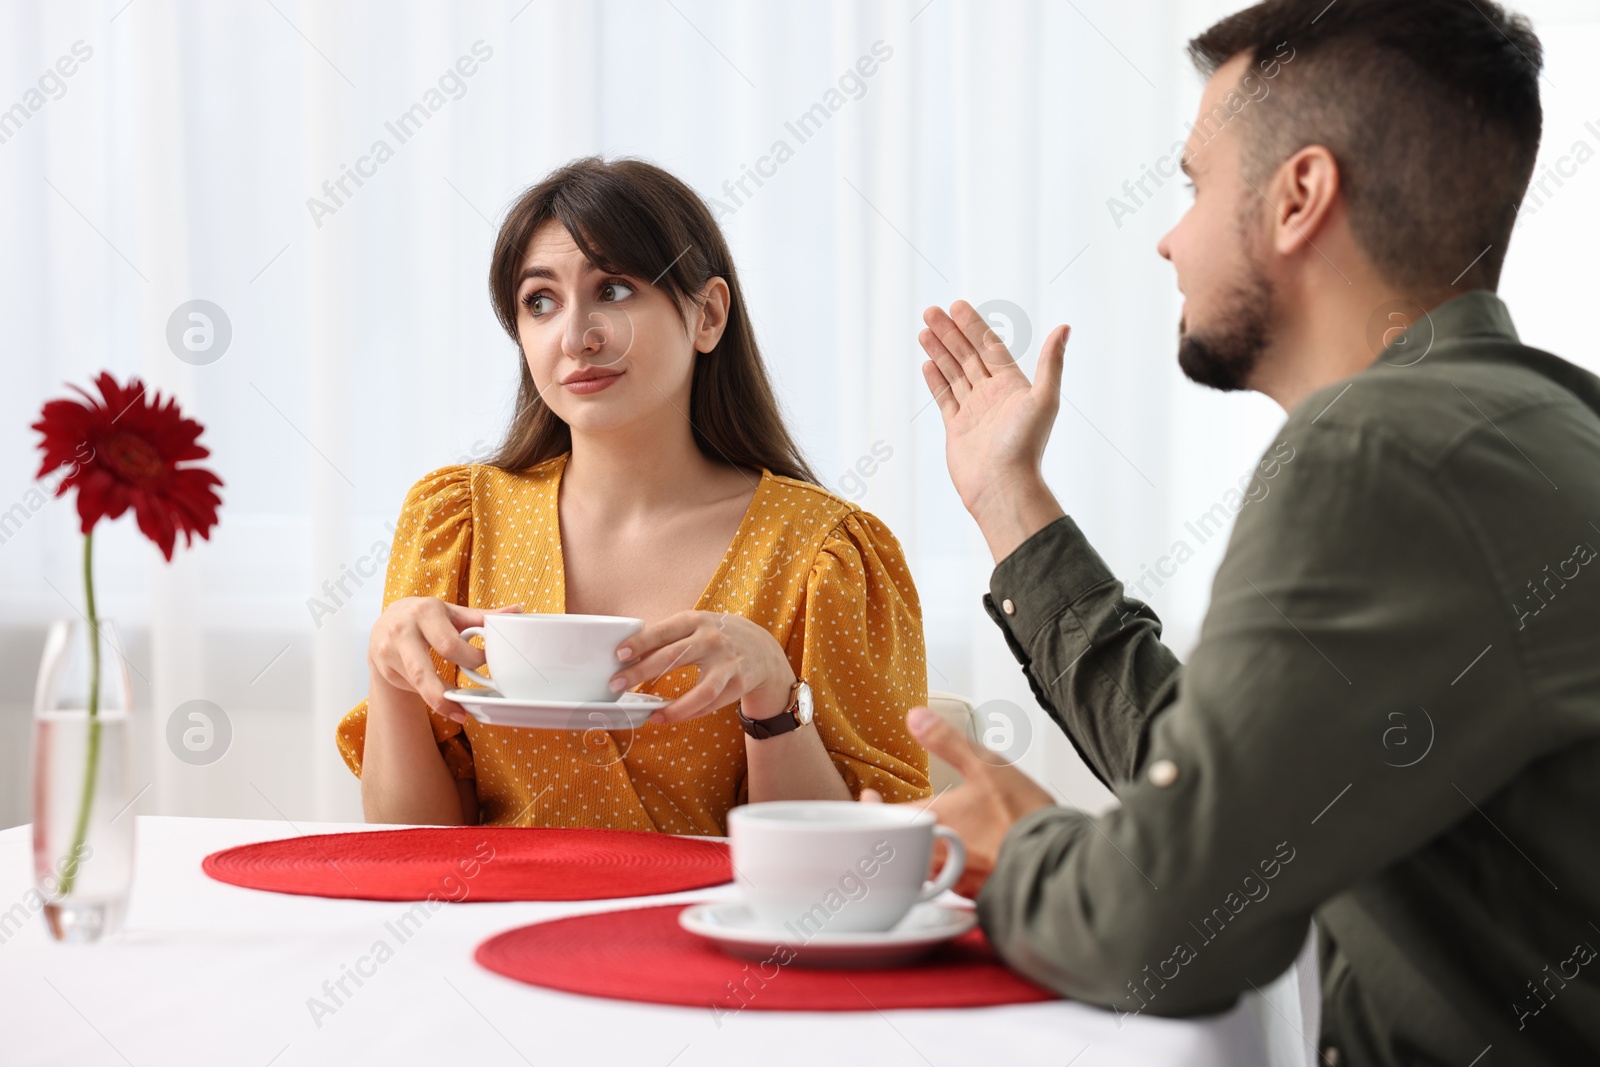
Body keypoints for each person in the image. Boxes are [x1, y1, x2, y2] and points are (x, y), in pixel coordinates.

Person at [900, 1, 1600, 1064]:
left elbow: (1163, 930)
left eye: (1192, 183)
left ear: (1299, 196)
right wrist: (1009, 498)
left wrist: (1024, 841)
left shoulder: (1377, 454)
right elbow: (1239, 797)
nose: (1168, 234)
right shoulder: (1537, 428)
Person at [337, 157, 930, 833]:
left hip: (709, 936)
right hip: (495, 930)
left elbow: (857, 861)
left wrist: (772, 694)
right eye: (540, 301)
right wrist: (389, 674)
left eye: (614, 290)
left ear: (707, 316)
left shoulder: (828, 555)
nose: (575, 336)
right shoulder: (454, 521)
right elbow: (415, 845)